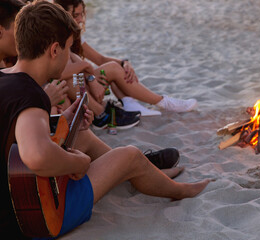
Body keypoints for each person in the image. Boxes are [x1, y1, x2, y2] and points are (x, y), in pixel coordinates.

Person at [0, 1, 210, 239]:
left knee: (82, 134)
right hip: (37, 217)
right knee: (129, 155)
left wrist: (64, 119)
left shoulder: (5, 79)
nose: (70, 56)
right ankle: (180, 191)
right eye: (69, 48)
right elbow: (36, 156)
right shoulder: (30, 94)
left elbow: (13, 135)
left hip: (17, 197)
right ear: (55, 50)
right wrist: (78, 164)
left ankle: (141, 174)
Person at [53, 0, 199, 117]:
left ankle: (131, 103)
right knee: (112, 68)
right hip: (72, 88)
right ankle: (163, 102)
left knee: (115, 67)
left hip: (82, 86)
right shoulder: (55, 37)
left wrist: (124, 63)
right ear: (64, 14)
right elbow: (59, 73)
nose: (80, 19)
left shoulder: (74, 36)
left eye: (81, 14)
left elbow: (100, 59)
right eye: (75, 15)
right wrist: (88, 71)